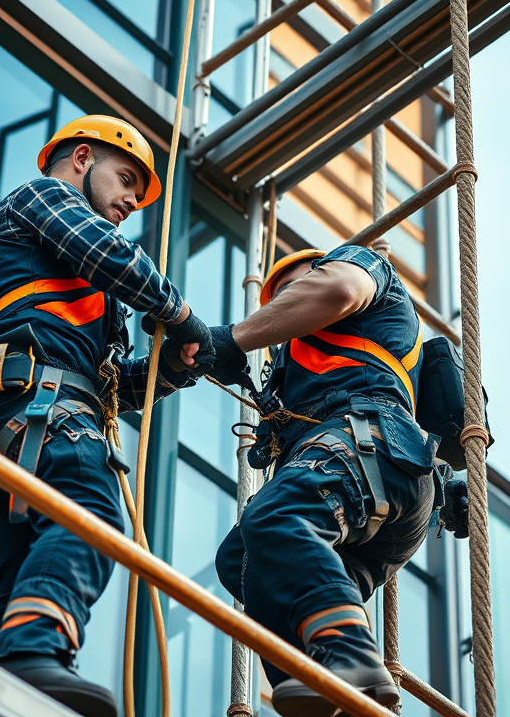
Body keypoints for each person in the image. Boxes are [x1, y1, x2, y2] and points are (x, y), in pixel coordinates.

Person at [0, 116, 212, 717]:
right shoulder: (42, 198)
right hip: (26, 410)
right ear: (81, 158)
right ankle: (36, 650)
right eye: (126, 180)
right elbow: (110, 256)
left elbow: (108, 387)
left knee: (10, 597)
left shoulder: (88, 290)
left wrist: (177, 367)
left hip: (1, 424)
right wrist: (182, 316)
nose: (132, 200)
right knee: (91, 512)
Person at [208, 246, 441, 716]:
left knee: (276, 516)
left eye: (298, 285)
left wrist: (232, 339)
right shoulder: (292, 370)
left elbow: (338, 288)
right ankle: (318, 684)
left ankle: (349, 656)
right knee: (242, 558)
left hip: (369, 445)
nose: (290, 300)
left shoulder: (367, 271)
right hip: (364, 489)